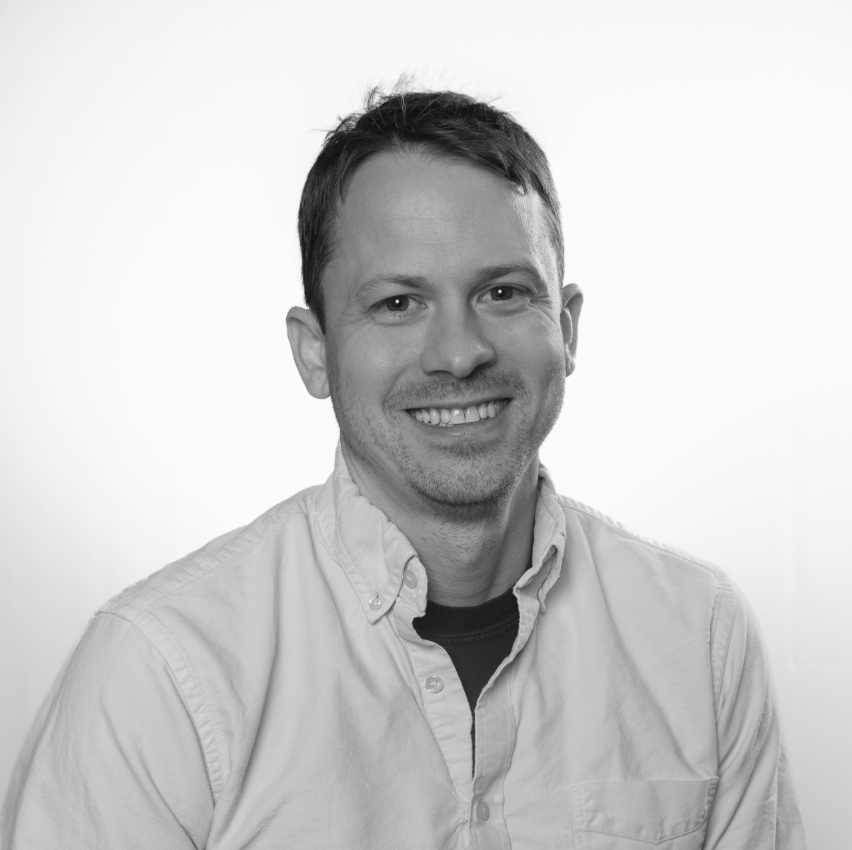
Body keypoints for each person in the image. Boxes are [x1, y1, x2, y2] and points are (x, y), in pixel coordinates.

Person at [2, 88, 807, 849]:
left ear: (566, 328)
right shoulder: (163, 670)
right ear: (314, 352)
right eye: (398, 303)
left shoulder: (698, 634)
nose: (459, 353)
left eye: (502, 292)